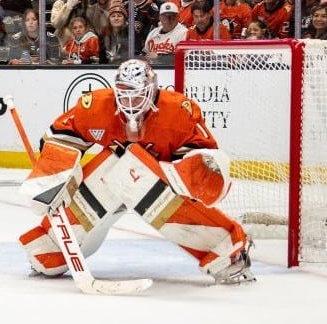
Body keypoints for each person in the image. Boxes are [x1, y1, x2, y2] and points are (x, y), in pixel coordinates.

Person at [17, 59, 254, 285]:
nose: (130, 103)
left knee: (133, 167)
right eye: (123, 96)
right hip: (112, 182)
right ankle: (52, 248)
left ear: (151, 90)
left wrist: (187, 176)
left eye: (137, 95)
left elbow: (202, 158)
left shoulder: (179, 111)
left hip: (159, 186)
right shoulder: (96, 106)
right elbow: (58, 136)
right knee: (119, 164)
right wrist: (56, 175)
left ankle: (225, 249)